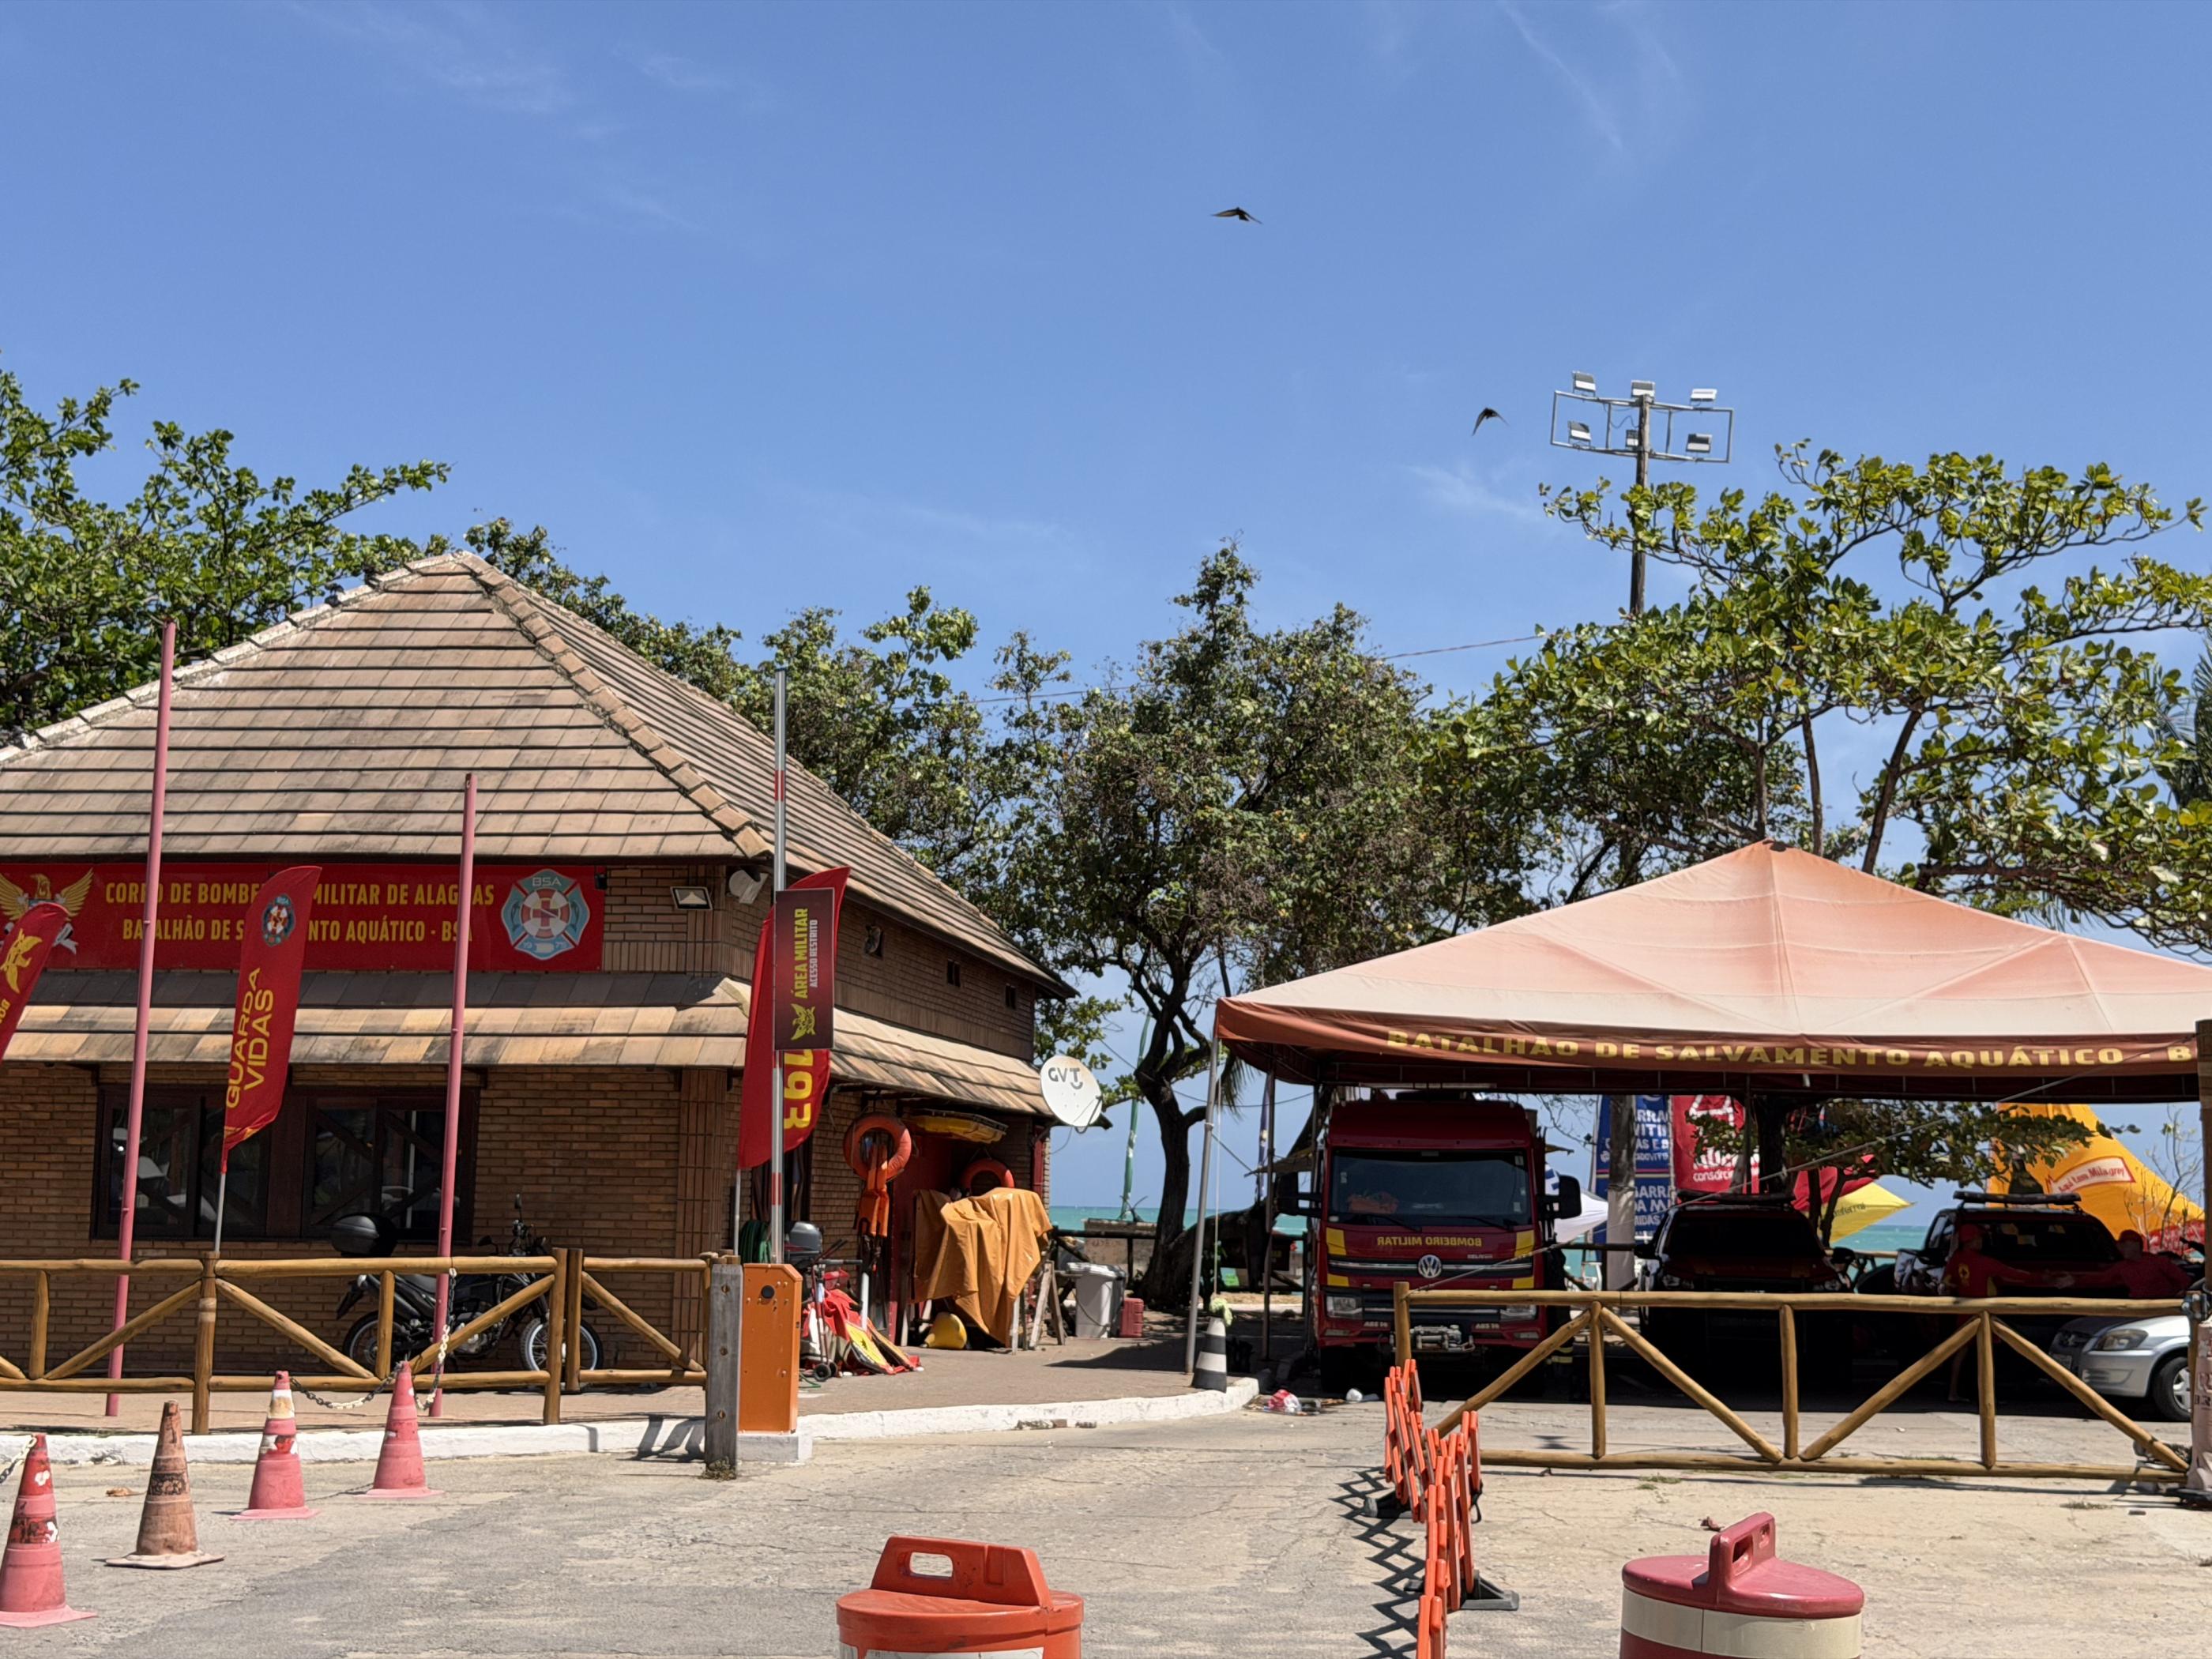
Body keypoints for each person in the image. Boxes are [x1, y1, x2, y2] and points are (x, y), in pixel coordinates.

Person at [2111, 1230, 2190, 1299]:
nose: (2120, 1248)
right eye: (2121, 1245)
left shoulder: (2159, 1262)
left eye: (2125, 1244)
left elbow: (2184, 1280)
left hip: (2165, 1304)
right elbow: (2105, 1280)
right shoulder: (2121, 1267)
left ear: (2136, 1244)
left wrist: (2179, 1293)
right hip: (2140, 1307)